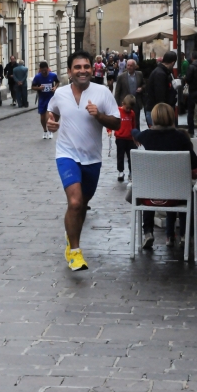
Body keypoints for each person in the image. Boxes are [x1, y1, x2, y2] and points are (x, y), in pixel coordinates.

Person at [47, 50, 121, 271]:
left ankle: (71, 241)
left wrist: (99, 116)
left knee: (82, 206)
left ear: (92, 69)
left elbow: (117, 124)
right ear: (69, 72)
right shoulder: (60, 94)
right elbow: (53, 113)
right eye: (77, 67)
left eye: (86, 67)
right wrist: (51, 124)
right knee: (75, 202)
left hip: (92, 159)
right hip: (66, 155)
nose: (83, 71)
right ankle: (76, 253)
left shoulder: (102, 92)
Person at [135, 103, 197, 249]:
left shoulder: (145, 136)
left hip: (149, 196)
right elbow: (195, 162)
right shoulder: (180, 138)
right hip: (176, 196)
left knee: (149, 187)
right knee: (189, 191)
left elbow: (136, 139)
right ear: (172, 116)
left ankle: (148, 232)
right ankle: (185, 234)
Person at [145, 50, 178, 127]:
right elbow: (160, 96)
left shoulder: (162, 72)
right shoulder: (161, 74)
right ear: (173, 63)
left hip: (159, 111)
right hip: (159, 113)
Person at [32, 61, 59, 139]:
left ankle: (50, 131)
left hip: (50, 98)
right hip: (42, 98)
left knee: (48, 115)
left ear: (47, 68)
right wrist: (39, 88)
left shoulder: (53, 75)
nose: (44, 72)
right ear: (40, 70)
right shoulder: (37, 77)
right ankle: (45, 131)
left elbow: (57, 82)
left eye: (45, 70)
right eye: (42, 70)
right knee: (42, 117)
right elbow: (33, 87)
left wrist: (55, 87)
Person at [115, 59, 144, 131]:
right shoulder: (121, 77)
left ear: (135, 66)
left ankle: (137, 137)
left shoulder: (139, 74)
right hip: (125, 104)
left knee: (136, 122)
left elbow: (144, 84)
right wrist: (117, 105)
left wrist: (142, 88)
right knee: (126, 122)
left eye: (131, 66)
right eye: (128, 65)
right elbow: (117, 92)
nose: (129, 67)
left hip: (136, 102)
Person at [115, 94, 136, 182]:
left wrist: (134, 135)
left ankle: (131, 172)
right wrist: (109, 130)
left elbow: (133, 125)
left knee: (131, 156)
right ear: (123, 104)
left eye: (129, 109)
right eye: (126, 108)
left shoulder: (132, 113)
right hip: (120, 138)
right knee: (120, 156)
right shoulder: (118, 111)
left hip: (130, 138)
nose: (128, 110)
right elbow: (113, 121)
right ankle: (120, 171)